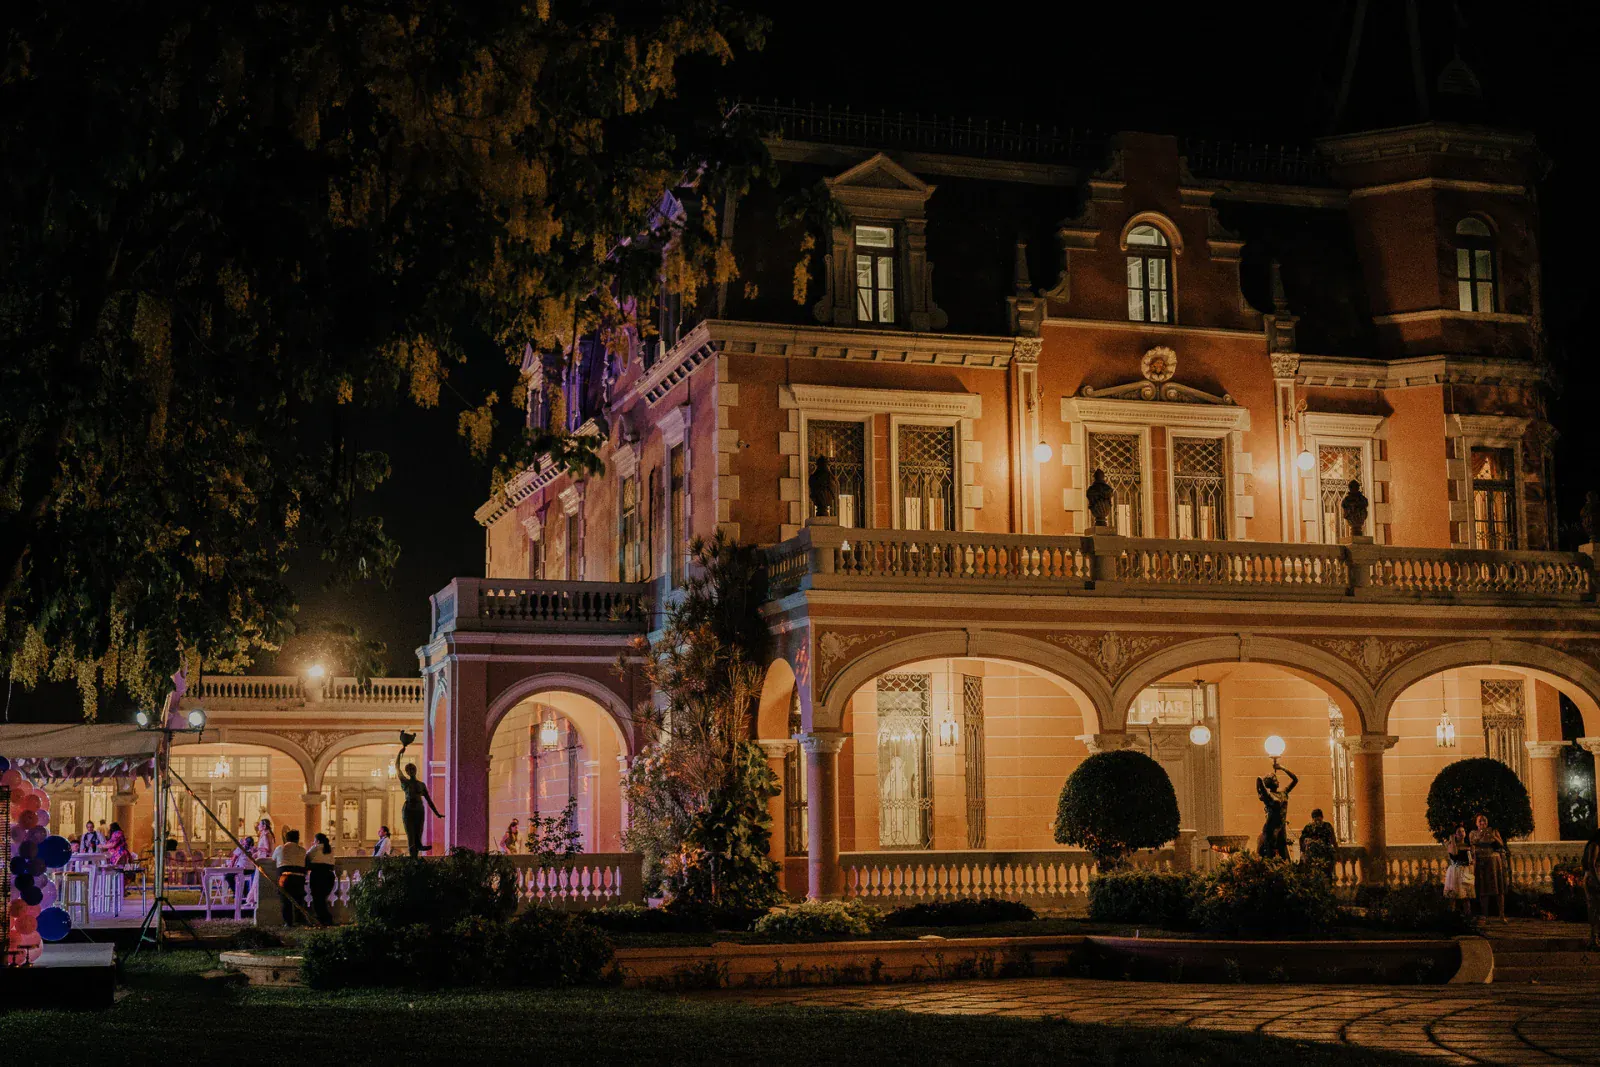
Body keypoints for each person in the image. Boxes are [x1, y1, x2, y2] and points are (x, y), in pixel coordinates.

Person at [395, 739, 444, 858]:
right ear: (407, 772)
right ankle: (413, 858)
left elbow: (429, 800)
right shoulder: (405, 782)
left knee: (418, 832)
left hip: (419, 808)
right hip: (409, 808)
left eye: (413, 769)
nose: (411, 771)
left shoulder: (421, 785)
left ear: (416, 770)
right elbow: (397, 768)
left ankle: (417, 853)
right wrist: (399, 755)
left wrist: (437, 813)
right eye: (409, 770)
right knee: (411, 834)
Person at [1470, 813, 1509, 923]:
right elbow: (1473, 842)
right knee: (1483, 889)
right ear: (1476, 822)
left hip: (1493, 861)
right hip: (1481, 862)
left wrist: (1493, 836)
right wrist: (1482, 834)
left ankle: (1502, 915)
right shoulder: (1473, 833)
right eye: (1480, 821)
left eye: (1484, 820)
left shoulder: (1493, 831)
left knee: (1498, 888)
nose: (1482, 823)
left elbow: (1501, 844)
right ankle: (1485, 916)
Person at [1255, 762, 1299, 861]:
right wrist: (1260, 786)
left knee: (1284, 855)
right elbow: (1258, 781)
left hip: (1281, 827)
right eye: (1275, 780)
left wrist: (1282, 768)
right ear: (1272, 783)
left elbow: (1295, 779)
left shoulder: (1284, 793)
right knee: (1270, 855)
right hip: (1271, 828)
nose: (1278, 781)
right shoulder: (1269, 796)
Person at [271, 829, 308, 926]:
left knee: (285, 900)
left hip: (285, 877)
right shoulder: (302, 850)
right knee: (299, 900)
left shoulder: (280, 848)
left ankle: (288, 922)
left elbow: (273, 859)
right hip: (299, 878)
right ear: (297, 839)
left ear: (286, 839)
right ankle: (299, 920)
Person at [1298, 808, 1339, 882]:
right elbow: (1302, 841)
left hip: (1326, 855)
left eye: (1318, 819)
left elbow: (1333, 840)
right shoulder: (1308, 828)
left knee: (1326, 875)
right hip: (1313, 857)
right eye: (1315, 819)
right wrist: (1304, 850)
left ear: (1322, 818)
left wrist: (1337, 852)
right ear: (1312, 819)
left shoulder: (1327, 826)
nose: (1317, 821)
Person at [1443, 823, 1475, 915]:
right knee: (1453, 895)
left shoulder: (1468, 845)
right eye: (1459, 832)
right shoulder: (1451, 845)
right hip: (1455, 870)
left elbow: (1472, 858)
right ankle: (1452, 916)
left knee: (1467, 895)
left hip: (1467, 870)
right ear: (1455, 834)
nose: (1461, 833)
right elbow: (1454, 853)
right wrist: (1452, 840)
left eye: (1463, 831)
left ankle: (1468, 916)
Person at [307, 832, 336, 925]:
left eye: (314, 840)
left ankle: (325, 919)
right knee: (322, 898)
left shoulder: (315, 848)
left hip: (317, 875)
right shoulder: (330, 849)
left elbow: (307, 857)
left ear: (318, 841)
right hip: (329, 876)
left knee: (317, 899)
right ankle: (324, 919)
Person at [1582, 824, 1600, 950]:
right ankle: (1594, 939)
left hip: (1591, 878)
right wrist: (1598, 881)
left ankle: (1594, 939)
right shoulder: (1595, 846)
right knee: (1595, 909)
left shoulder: (1593, 845)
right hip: (1593, 879)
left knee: (1595, 909)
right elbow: (1591, 864)